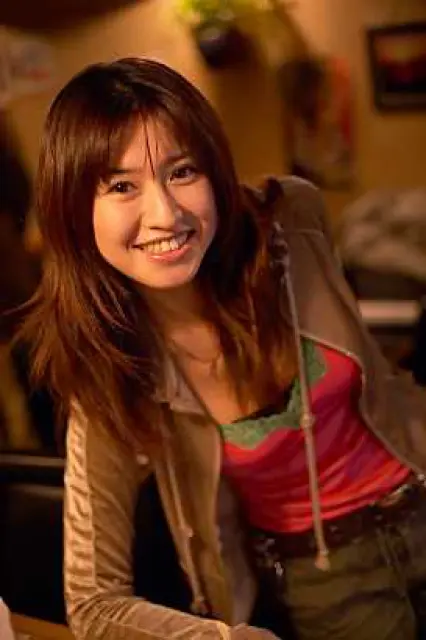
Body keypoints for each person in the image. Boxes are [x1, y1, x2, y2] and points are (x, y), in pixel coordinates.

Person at [18, 57, 426, 640]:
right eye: (122, 186)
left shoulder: (293, 222)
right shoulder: (110, 375)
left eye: (183, 171)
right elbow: (92, 603)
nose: (166, 215)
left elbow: (382, 380)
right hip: (328, 580)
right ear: (73, 209)